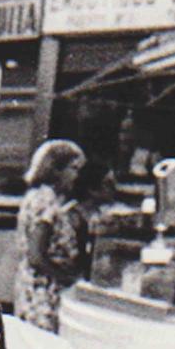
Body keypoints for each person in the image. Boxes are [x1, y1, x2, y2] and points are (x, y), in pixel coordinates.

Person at [15, 139, 87, 332]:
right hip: (42, 291)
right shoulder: (45, 200)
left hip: (36, 288)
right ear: (55, 169)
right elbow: (36, 255)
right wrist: (65, 277)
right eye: (73, 169)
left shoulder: (40, 197)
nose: (77, 176)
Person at [52, 158, 116, 290]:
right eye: (108, 184)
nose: (114, 188)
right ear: (92, 189)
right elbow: (68, 260)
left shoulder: (101, 214)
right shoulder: (69, 217)